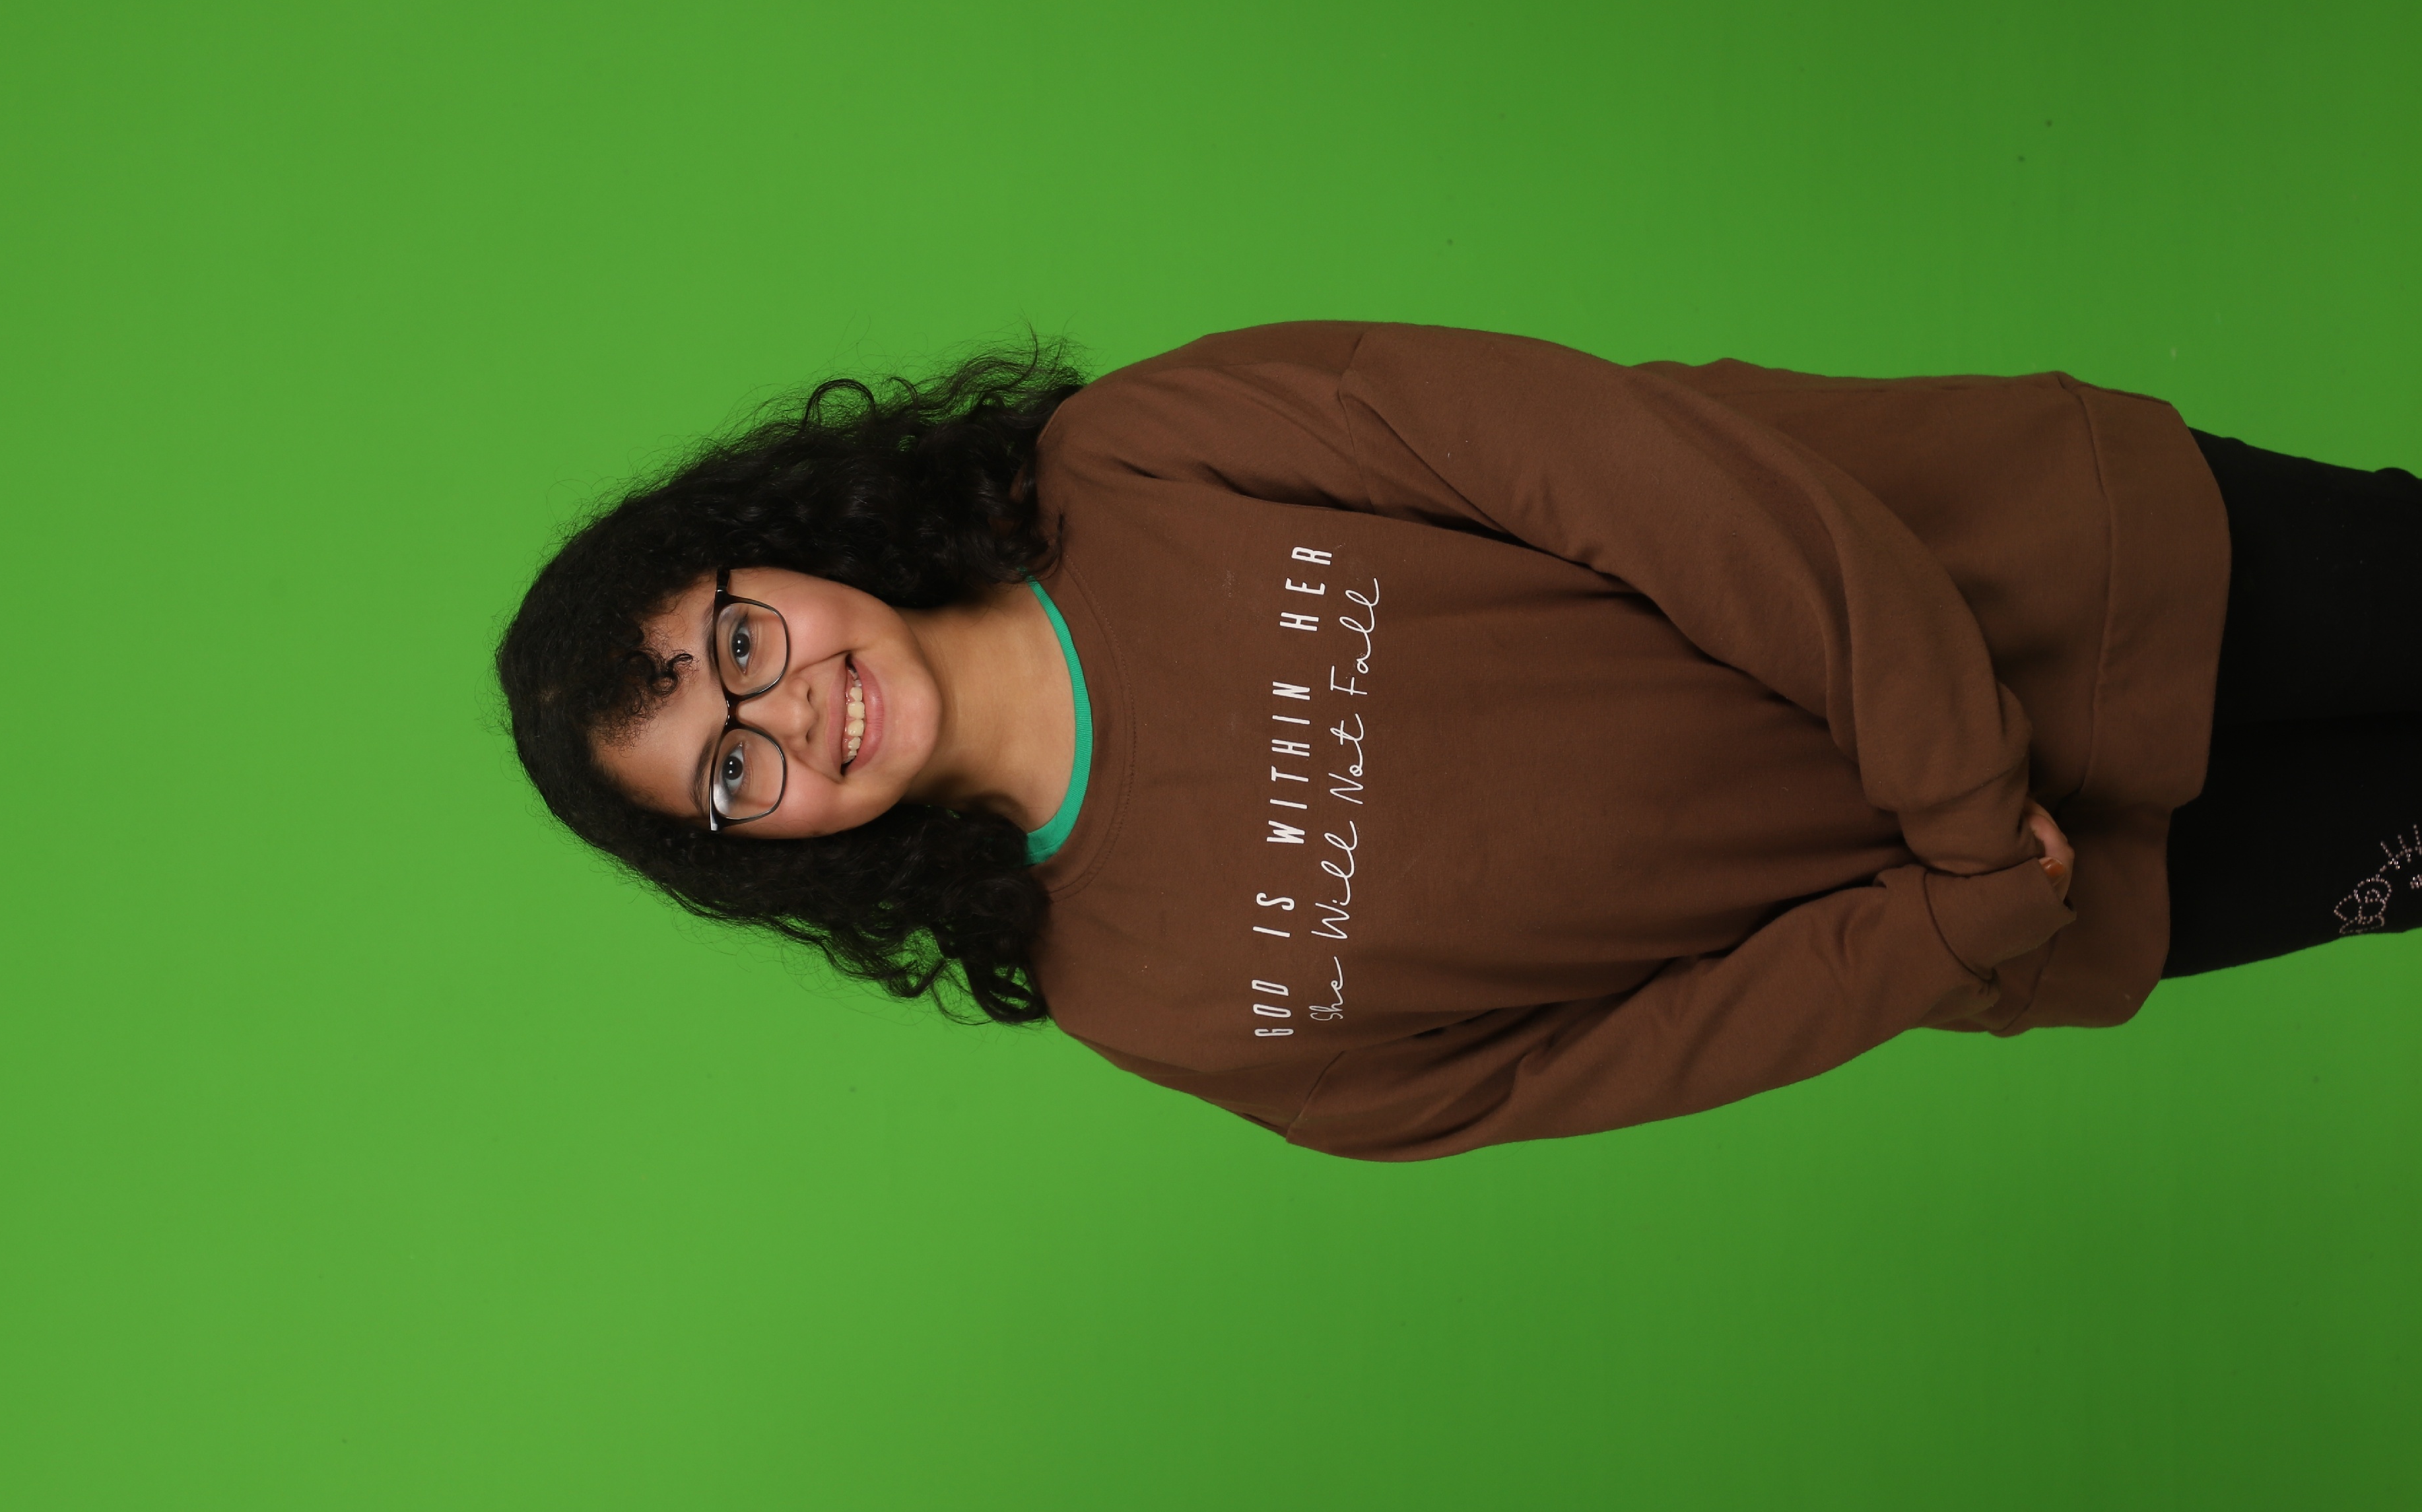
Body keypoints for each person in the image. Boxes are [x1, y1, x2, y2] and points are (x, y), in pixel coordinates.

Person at [497, 323, 2422, 1160]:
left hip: (2046, 562)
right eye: (730, 775)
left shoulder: (1136, 457)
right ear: (766, 853)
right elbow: (1603, 1063)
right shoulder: (1134, 996)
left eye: (737, 645)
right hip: (2051, 896)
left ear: (782, 549)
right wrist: (1940, 924)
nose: (787, 714)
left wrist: (1954, 791)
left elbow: (1616, 465)